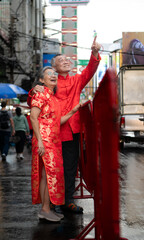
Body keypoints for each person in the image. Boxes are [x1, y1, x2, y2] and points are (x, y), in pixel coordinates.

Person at [27, 36, 101, 213]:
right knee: (52, 170)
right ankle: (52, 202)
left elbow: (90, 70)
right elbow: (35, 100)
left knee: (69, 168)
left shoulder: (76, 80)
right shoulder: (50, 81)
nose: (65, 61)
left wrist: (95, 53)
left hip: (72, 129)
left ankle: (67, 201)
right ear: (54, 67)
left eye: (67, 59)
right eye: (61, 60)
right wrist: (33, 90)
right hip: (52, 131)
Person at [30, 66, 80, 222]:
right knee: (46, 176)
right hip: (44, 141)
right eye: (49, 74)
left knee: (48, 176)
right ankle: (45, 209)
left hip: (54, 142)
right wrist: (40, 141)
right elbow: (33, 117)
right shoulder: (40, 93)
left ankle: (46, 209)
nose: (53, 75)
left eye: (54, 74)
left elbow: (57, 122)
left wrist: (72, 112)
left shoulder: (53, 98)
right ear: (41, 80)